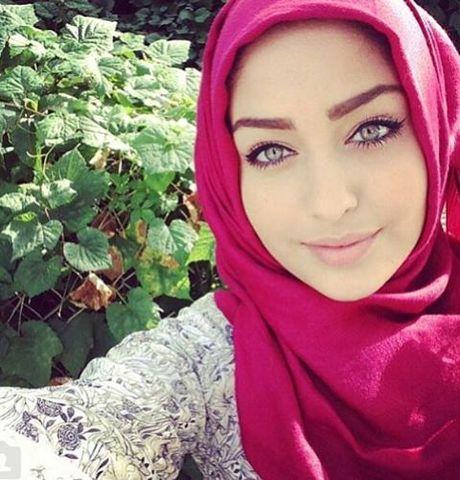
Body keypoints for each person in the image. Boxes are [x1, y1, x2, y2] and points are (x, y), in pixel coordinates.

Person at [0, 0, 459, 478]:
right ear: (225, 172)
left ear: (437, 125)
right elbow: (77, 431)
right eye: (271, 151)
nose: (330, 202)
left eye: (372, 129)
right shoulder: (204, 364)